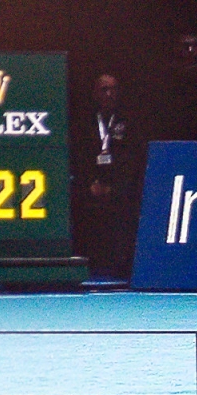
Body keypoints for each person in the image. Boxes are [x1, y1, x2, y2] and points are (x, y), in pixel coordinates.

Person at [74, 73, 140, 277]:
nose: (109, 94)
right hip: (89, 181)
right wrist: (90, 183)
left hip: (118, 182)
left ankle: (122, 263)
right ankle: (81, 259)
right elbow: (78, 154)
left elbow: (132, 157)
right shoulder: (83, 121)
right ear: (95, 93)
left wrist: (114, 185)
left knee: (129, 198)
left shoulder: (129, 119)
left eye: (113, 89)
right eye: (104, 89)